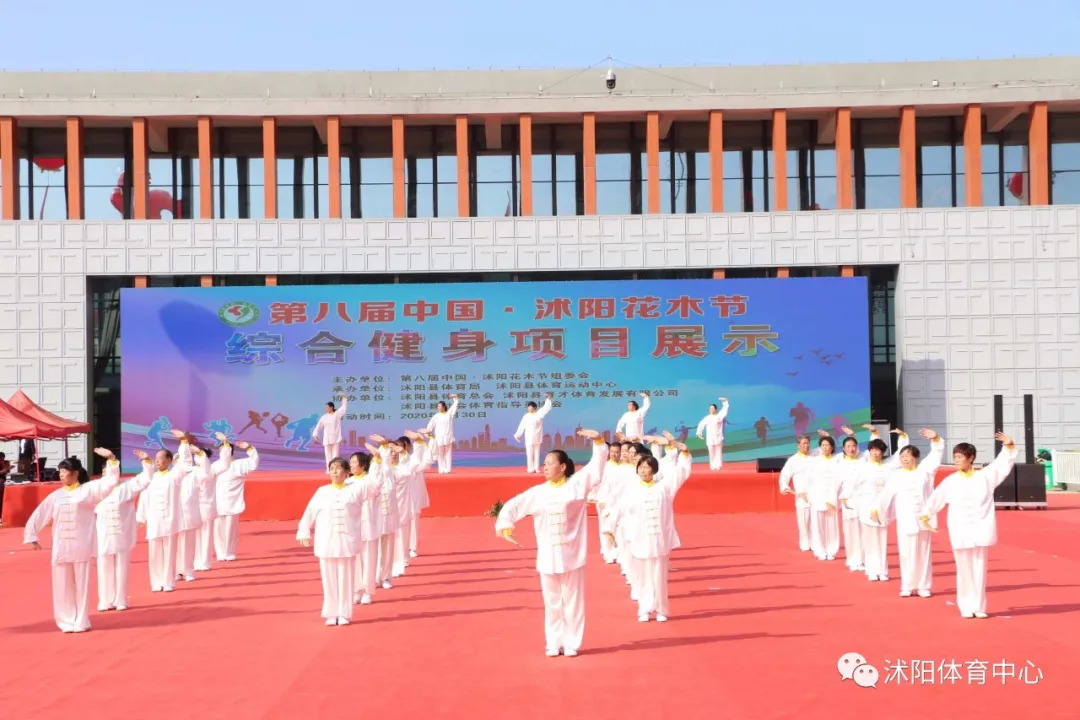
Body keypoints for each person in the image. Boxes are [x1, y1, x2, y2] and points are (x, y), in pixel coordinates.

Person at [495, 429, 607, 658]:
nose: (545, 467)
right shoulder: (538, 493)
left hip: (573, 556)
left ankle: (572, 642)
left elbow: (596, 468)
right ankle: (554, 642)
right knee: (553, 603)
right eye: (544, 463)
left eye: (549, 463)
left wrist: (598, 442)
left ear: (563, 467)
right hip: (547, 557)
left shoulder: (577, 485)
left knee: (573, 602)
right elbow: (514, 506)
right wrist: (505, 526)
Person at [23, 450, 125, 633]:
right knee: (62, 586)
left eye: (65, 471)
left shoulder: (88, 490)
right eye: (60, 471)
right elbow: (40, 513)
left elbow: (109, 482)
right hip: (61, 547)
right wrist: (32, 535)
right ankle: (66, 620)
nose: (62, 474)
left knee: (82, 586)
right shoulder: (56, 495)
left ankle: (81, 620)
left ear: (76, 472)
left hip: (81, 545)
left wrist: (111, 460)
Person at [920, 432, 1018, 619]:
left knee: (979, 568)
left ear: (971, 458)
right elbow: (936, 499)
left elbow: (1002, 465)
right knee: (964, 568)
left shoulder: (985, 477)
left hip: (980, 528)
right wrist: (926, 515)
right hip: (960, 529)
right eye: (955, 457)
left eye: (960, 457)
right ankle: (965, 605)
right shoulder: (951, 481)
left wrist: (1009, 445)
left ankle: (979, 606)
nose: (956, 460)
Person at [606, 447, 693, 622]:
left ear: (653, 470)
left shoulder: (664, 488)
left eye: (647, 467)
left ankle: (661, 610)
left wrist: (684, 454)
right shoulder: (631, 490)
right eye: (641, 468)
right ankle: (644, 608)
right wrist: (609, 529)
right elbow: (618, 510)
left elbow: (681, 473)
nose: (644, 471)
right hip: (640, 539)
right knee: (643, 576)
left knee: (659, 577)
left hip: (659, 540)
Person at [296, 456, 383, 626]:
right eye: (332, 468)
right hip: (326, 541)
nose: (334, 471)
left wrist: (379, 460)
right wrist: (304, 530)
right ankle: (330, 612)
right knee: (328, 579)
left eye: (338, 468)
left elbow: (376, 484)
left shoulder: (356, 488)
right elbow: (309, 512)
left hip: (347, 541)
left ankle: (344, 613)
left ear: (347, 472)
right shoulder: (322, 491)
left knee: (346, 578)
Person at [869, 428, 944, 598]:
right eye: (902, 457)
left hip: (924, 519)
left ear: (915, 457)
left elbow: (936, 455)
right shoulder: (896, 476)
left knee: (923, 553)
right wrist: (876, 508)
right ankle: (907, 586)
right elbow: (886, 494)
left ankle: (924, 586)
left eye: (907, 456)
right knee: (906, 553)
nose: (904, 459)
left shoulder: (925, 471)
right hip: (906, 519)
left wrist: (936, 439)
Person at [135, 446, 200, 593]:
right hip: (154, 521)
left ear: (169, 460)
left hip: (169, 520)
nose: (157, 461)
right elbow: (144, 497)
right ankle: (156, 582)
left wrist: (183, 442)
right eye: (155, 458)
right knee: (154, 554)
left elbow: (185, 462)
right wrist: (141, 517)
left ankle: (168, 581)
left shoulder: (174, 476)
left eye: (160, 458)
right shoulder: (151, 478)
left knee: (169, 552)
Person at [94, 451, 154, 612]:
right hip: (103, 534)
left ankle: (120, 599)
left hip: (121, 535)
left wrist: (147, 461)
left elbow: (145, 479)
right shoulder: (96, 490)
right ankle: (105, 600)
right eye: (106, 473)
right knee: (104, 567)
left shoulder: (126, 487)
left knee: (121, 567)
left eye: (112, 471)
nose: (109, 477)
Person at [213, 441, 259, 562]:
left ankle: (230, 552)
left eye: (224, 450)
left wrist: (249, 448)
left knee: (230, 529)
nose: (221, 453)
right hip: (217, 501)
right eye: (220, 451)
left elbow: (254, 462)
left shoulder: (239, 464)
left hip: (233, 501)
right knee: (217, 528)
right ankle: (220, 553)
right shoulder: (216, 466)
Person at [807, 435, 841, 561]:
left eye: (828, 445)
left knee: (832, 526)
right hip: (818, 497)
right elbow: (809, 480)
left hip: (832, 497)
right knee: (818, 525)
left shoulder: (837, 460)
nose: (825, 447)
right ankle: (820, 549)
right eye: (823, 445)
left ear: (832, 447)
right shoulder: (814, 461)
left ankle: (831, 550)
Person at [778, 435, 814, 552]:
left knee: (815, 521)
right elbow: (784, 475)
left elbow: (828, 449)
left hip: (815, 493)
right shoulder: (793, 460)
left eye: (807, 443)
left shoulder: (815, 455)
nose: (806, 445)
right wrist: (786, 487)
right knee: (804, 520)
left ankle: (815, 542)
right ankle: (805, 543)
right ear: (798, 445)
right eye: (803, 443)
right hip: (802, 495)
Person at [514, 393, 553, 473]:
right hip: (528, 437)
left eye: (530, 406)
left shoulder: (539, 414)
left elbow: (545, 408)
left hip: (537, 437)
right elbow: (522, 426)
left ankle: (536, 468)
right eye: (528, 406)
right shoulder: (526, 416)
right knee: (529, 454)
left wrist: (548, 399)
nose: (529, 408)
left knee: (536, 454)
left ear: (534, 408)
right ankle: (530, 468)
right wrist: (518, 435)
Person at [313, 394, 349, 474]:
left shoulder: (337, 414)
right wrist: (315, 434)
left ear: (331, 407)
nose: (326, 408)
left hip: (336, 437)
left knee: (335, 455)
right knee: (328, 455)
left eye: (327, 407)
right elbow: (319, 426)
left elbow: (344, 408)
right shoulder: (324, 416)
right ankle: (329, 470)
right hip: (327, 438)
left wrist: (344, 398)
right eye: (325, 407)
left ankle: (335, 470)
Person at [425, 395, 459, 474]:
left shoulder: (449, 414)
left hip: (448, 436)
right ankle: (441, 469)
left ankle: (448, 469)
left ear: (444, 407)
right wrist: (427, 433)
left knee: (448, 453)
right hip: (439, 438)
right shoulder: (436, 416)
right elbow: (430, 425)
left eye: (440, 406)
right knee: (440, 454)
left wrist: (455, 398)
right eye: (438, 406)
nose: (438, 407)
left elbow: (454, 406)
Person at [695, 397, 730, 470]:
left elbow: (724, 410)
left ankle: (718, 465)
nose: (711, 409)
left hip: (718, 437)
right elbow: (701, 424)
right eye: (710, 408)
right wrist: (699, 433)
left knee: (718, 452)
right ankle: (712, 465)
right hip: (710, 438)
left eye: (712, 408)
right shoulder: (707, 418)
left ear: (715, 409)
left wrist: (725, 402)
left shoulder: (719, 416)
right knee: (711, 452)